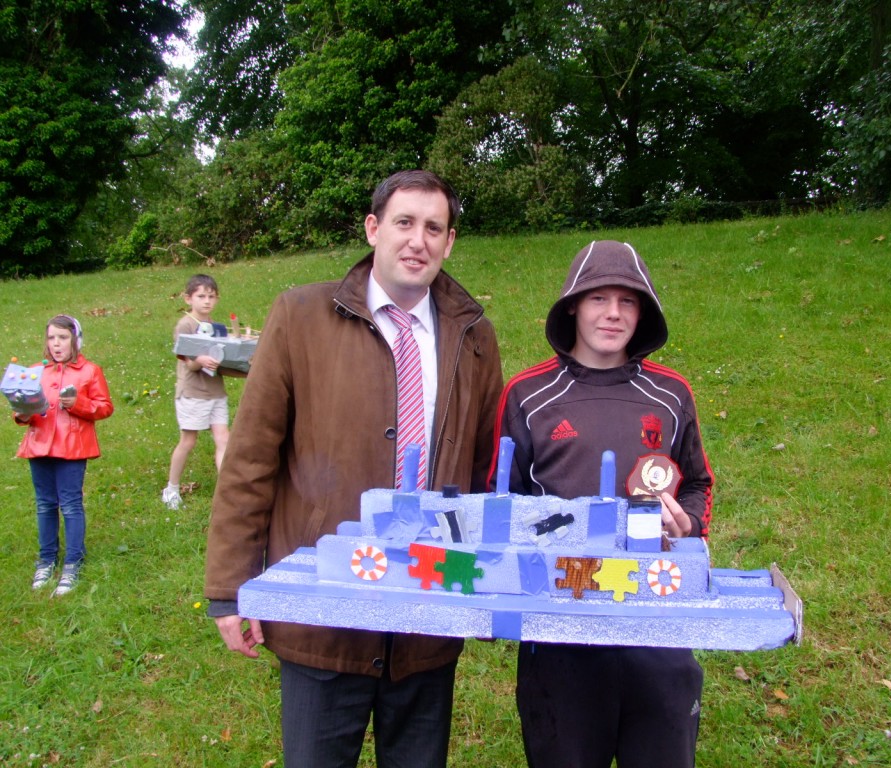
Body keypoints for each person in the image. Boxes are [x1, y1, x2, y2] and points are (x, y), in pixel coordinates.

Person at [204, 170, 504, 767]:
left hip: (427, 612)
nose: (417, 240)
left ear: (449, 243)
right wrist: (228, 588)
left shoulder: (473, 335)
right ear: (373, 229)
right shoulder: (299, 316)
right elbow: (250, 459)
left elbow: (484, 468)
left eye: (434, 228)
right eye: (404, 223)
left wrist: (488, 580)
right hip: (324, 607)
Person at [490, 240, 715, 768]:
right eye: (598, 299)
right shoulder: (528, 395)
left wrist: (689, 526)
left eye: (628, 301)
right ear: (573, 305)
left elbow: (698, 483)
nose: (613, 314)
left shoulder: (672, 394)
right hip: (560, 629)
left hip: (656, 627)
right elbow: (503, 500)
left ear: (645, 311)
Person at [12, 315, 114, 596]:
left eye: (63, 338)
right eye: (51, 338)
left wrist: (78, 403)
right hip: (39, 446)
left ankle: (73, 561)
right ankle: (46, 560)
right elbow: (22, 411)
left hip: (72, 448)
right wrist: (22, 413)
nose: (56, 344)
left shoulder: (90, 371)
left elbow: (104, 407)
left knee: (70, 505)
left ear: (75, 340)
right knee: (44, 504)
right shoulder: (36, 371)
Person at [162, 274, 242, 510]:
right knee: (188, 441)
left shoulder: (216, 327)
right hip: (193, 392)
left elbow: (223, 360)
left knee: (223, 439)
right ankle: (172, 489)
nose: (206, 301)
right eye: (201, 296)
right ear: (188, 298)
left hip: (216, 392)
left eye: (211, 296)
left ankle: (227, 491)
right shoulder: (185, 325)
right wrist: (201, 360)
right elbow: (189, 362)